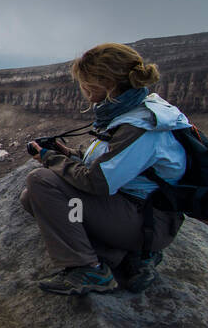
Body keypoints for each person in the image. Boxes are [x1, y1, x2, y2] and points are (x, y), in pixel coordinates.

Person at [19, 42, 188, 296]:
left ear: (104, 83)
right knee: (31, 198)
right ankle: (119, 254)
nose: (83, 89)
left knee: (41, 182)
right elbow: (116, 165)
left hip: (148, 221)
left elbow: (98, 182)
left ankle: (90, 270)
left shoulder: (141, 126)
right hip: (136, 210)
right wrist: (70, 154)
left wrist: (49, 159)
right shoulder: (135, 109)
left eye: (85, 82)